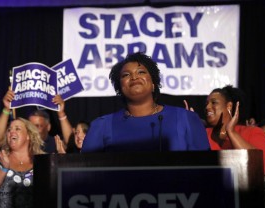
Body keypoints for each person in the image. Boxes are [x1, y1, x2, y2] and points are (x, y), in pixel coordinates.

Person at [81, 52, 210, 152]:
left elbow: (205, 170)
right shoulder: (101, 126)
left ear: (154, 84)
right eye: (126, 75)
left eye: (141, 72)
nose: (134, 77)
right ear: (119, 87)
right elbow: (85, 174)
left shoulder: (187, 119)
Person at [202, 85, 265, 175]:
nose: (207, 107)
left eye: (213, 102)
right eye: (206, 103)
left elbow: (263, 167)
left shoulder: (252, 132)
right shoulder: (203, 134)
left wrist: (231, 132)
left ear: (229, 106)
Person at [0, 117, 44, 208]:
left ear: (29, 136)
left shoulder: (42, 161)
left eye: (17, 129)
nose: (11, 132)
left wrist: (60, 161)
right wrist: (3, 168)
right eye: (9, 129)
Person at [0, 90, 57, 154]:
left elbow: (67, 143)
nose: (33, 129)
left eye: (38, 126)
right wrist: (7, 108)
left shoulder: (56, 144)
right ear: (27, 134)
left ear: (48, 127)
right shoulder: (16, 145)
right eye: (9, 129)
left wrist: (61, 114)